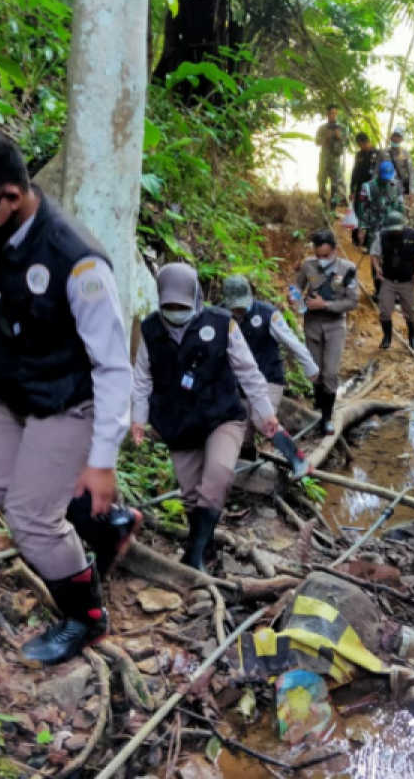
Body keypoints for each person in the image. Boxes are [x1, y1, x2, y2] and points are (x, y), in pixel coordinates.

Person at [0, 131, 141, 667]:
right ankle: (102, 524)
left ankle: (85, 617)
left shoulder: (77, 261)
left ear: (10, 195)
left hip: (68, 402)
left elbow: (114, 365)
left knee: (30, 519)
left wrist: (101, 461)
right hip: (16, 395)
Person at [131, 264, 281, 573]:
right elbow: (142, 378)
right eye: (169, 306)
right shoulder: (150, 330)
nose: (175, 311)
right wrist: (138, 418)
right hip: (178, 422)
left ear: (195, 298)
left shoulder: (222, 324)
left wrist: (265, 413)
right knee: (190, 494)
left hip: (222, 415)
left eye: (181, 306)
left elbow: (249, 373)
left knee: (219, 473)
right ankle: (208, 552)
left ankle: (193, 555)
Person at [222, 274, 317, 475]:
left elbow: (291, 342)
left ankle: (298, 460)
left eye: (241, 305)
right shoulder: (220, 316)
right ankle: (248, 470)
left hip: (268, 379)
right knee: (242, 431)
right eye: (234, 307)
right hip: (238, 383)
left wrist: (311, 368)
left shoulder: (267, 314)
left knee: (262, 420)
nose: (239, 310)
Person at [294, 230, 360, 436]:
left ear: (335, 251)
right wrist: (296, 301)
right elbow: (296, 287)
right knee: (315, 370)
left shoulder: (347, 269)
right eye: (318, 255)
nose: (321, 260)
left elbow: (352, 301)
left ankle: (326, 418)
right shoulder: (307, 266)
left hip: (334, 325)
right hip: (312, 324)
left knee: (331, 372)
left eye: (326, 255)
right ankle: (318, 407)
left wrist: (326, 305)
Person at [370, 210, 414, 351]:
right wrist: (377, 268)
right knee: (384, 310)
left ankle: (412, 338)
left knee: (410, 311)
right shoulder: (381, 236)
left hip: (407, 280)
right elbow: (374, 254)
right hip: (388, 280)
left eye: (398, 230)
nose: (395, 233)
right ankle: (387, 337)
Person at [358, 161, 405, 303]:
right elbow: (362, 209)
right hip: (375, 230)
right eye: (384, 177)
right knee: (376, 260)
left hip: (393, 229)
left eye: (388, 177)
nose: (386, 180)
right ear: (378, 173)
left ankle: (393, 292)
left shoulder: (396, 185)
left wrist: (402, 225)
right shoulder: (367, 187)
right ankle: (379, 291)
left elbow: (400, 206)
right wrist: (362, 228)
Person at [349, 132, 380, 250]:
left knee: (370, 213)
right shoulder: (358, 155)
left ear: (366, 142)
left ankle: (367, 241)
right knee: (358, 211)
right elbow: (354, 172)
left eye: (360, 144)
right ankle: (356, 238)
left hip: (372, 188)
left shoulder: (377, 154)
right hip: (360, 187)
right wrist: (352, 189)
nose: (360, 147)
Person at [314, 104, 348, 210]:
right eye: (330, 113)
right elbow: (317, 142)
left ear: (336, 114)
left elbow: (346, 143)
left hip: (336, 161)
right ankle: (323, 206)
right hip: (324, 160)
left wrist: (339, 137)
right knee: (322, 182)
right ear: (327, 114)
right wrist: (326, 138)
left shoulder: (342, 128)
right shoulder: (322, 128)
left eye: (334, 113)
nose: (332, 115)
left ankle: (333, 208)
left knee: (336, 186)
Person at [388, 126, 414, 198]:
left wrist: (411, 191)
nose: (396, 138)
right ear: (391, 137)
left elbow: (411, 173)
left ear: (402, 139)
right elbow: (376, 170)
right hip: (385, 187)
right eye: (395, 136)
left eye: (398, 137)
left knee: (399, 208)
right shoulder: (384, 153)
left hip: (400, 187)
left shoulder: (406, 154)